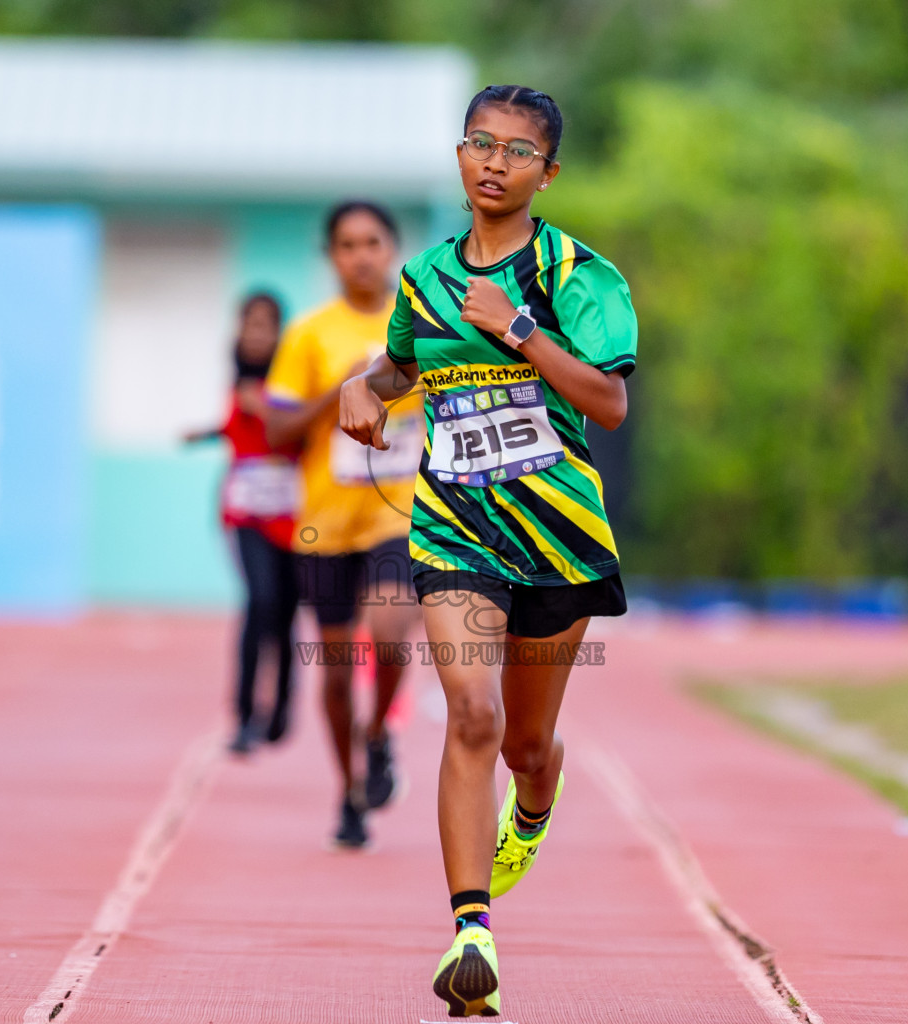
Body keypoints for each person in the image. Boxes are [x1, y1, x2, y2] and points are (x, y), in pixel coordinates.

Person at [338, 86, 635, 1017]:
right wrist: (365, 385)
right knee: (470, 714)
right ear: (459, 157)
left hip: (558, 539)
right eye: (480, 143)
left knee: (526, 742)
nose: (495, 161)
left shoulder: (576, 273)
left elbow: (608, 402)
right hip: (454, 526)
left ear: (549, 172)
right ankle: (472, 933)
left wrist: (515, 326)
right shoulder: (423, 277)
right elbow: (402, 364)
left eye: (518, 150)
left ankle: (535, 808)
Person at [265, 201, 424, 849]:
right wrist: (346, 389)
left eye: (373, 242)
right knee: (333, 674)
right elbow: (277, 430)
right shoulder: (308, 334)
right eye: (347, 244)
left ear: (393, 249)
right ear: (331, 256)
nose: (361, 255)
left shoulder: (421, 324)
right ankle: (349, 789)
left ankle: (380, 731)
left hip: (402, 515)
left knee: (390, 636)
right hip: (327, 524)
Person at [183, 292, 300, 755]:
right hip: (245, 512)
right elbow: (238, 428)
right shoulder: (237, 381)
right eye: (248, 324)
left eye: (265, 325)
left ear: (279, 333)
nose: (255, 334)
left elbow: (303, 428)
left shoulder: (293, 379)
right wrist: (209, 432)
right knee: (259, 601)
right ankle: (246, 713)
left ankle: (282, 709)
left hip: (292, 512)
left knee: (287, 611)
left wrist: (268, 409)